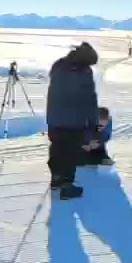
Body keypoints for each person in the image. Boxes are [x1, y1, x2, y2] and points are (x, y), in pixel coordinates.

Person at [46, 41, 99, 200]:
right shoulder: (85, 72)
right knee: (70, 151)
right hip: (73, 120)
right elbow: (90, 99)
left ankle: (56, 178)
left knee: (57, 147)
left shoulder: (58, 65)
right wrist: (92, 123)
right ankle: (67, 186)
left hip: (54, 117)